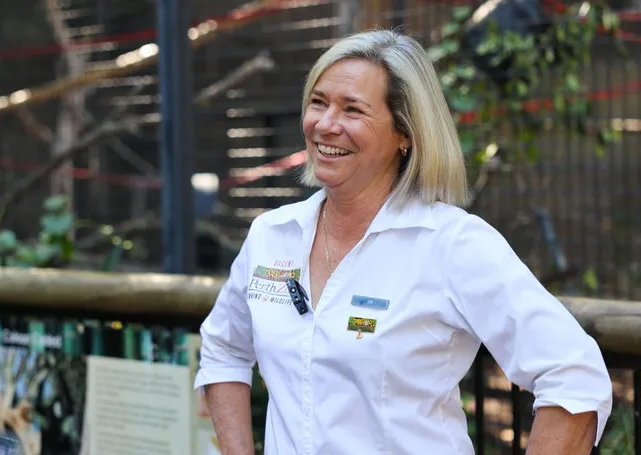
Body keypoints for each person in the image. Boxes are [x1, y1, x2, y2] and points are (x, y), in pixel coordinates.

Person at [193, 29, 612, 455]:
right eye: (318, 102)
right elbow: (224, 348)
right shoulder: (271, 235)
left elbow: (574, 376)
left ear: (405, 135)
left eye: (353, 110)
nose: (325, 124)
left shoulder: (452, 244)